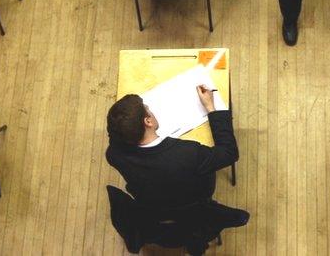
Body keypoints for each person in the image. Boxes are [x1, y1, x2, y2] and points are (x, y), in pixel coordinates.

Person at [105, 88, 248, 245]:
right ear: (148, 121)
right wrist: (210, 108)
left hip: (155, 211)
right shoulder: (189, 154)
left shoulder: (114, 156)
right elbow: (229, 153)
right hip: (197, 207)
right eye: (148, 109)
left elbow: (114, 140)